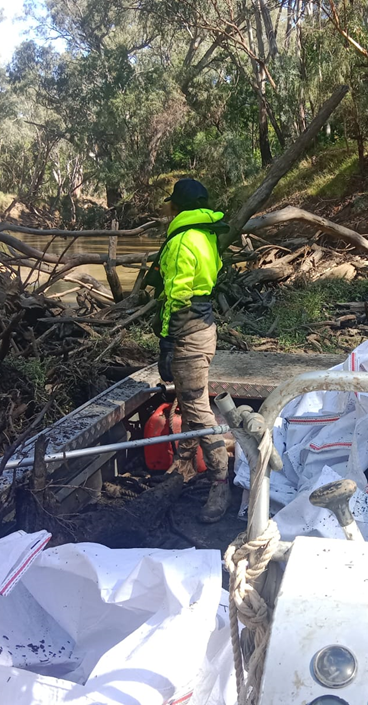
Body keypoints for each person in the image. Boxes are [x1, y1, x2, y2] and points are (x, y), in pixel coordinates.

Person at [152, 178, 231, 523]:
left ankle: (219, 480)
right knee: (186, 400)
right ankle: (183, 464)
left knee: (197, 409)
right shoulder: (206, 234)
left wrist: (167, 338)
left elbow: (177, 295)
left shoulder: (183, 239)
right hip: (205, 326)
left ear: (177, 206)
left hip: (188, 332)